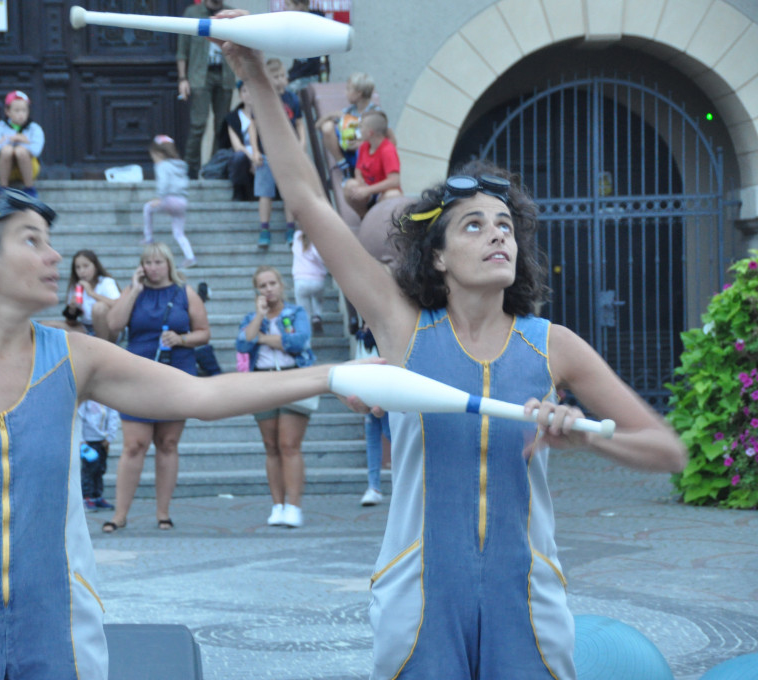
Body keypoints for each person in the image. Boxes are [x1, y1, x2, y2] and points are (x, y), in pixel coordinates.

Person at [225, 29, 686, 679]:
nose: (497, 235)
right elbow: (304, 198)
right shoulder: (403, 329)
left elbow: (665, 450)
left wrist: (587, 441)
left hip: (526, 602)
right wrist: (254, 77)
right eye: (474, 224)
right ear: (437, 255)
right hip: (418, 600)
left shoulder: (554, 346)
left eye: (505, 226)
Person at [0, 189, 337, 680]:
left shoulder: (74, 358)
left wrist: (331, 377)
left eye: (49, 241)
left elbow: (202, 397)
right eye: (32, 240)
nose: (54, 256)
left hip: (60, 634)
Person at [102, 243, 210, 532]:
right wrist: (134, 290)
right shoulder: (133, 291)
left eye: (158, 262)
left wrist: (182, 339)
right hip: (137, 375)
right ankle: (119, 514)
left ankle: (163, 512)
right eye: (147, 262)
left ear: (169, 264)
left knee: (168, 443)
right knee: (134, 445)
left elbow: (204, 333)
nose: (152, 267)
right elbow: (113, 324)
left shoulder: (185, 293)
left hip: (175, 372)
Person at [236, 265, 316, 528]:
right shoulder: (252, 317)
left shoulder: (296, 312)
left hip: (294, 377)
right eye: (263, 285)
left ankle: (294, 505)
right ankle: (277, 505)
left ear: (281, 286)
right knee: (270, 446)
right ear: (256, 290)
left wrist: (264, 338)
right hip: (262, 380)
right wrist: (260, 319)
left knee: (289, 444)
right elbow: (243, 344)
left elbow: (298, 342)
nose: (268, 289)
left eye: (272, 284)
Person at [176, 0, 236, 179]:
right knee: (198, 124)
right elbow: (182, 49)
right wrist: (182, 78)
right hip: (200, 75)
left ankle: (215, 169)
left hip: (225, 75)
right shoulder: (192, 12)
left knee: (221, 125)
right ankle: (190, 169)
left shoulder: (231, 14)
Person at [254, 58, 306, 249]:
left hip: (289, 154)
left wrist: (302, 143)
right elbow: (254, 125)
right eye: (275, 77)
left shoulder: (292, 98)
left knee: (289, 192)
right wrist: (256, 150)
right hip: (268, 154)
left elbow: (299, 123)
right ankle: (264, 229)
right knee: (265, 193)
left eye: (282, 75)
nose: (280, 80)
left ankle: (291, 228)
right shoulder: (263, 97)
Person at [315, 72, 381, 179]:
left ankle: (361, 174)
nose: (345, 92)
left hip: (363, 156)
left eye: (348, 89)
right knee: (327, 126)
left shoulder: (375, 113)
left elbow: (381, 141)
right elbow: (317, 126)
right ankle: (342, 165)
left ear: (358, 93)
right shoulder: (349, 112)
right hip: (347, 152)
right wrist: (332, 115)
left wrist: (360, 144)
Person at [143, 134, 195, 268]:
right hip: (182, 201)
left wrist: (159, 198)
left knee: (148, 208)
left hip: (168, 200)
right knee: (179, 233)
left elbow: (163, 183)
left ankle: (148, 238)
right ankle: (190, 257)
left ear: (159, 154)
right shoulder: (181, 165)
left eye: (153, 156)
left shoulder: (162, 166)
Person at [342, 110, 402, 219]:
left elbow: (394, 180)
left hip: (382, 193)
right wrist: (359, 180)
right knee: (349, 186)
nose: (359, 131)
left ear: (370, 132)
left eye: (361, 127)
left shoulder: (387, 150)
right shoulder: (365, 145)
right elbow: (358, 169)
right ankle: (364, 217)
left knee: (393, 195)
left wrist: (367, 190)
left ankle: (379, 221)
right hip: (368, 191)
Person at [355, 322, 390, 506]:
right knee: (372, 439)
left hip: (387, 394)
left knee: (393, 435)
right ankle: (373, 486)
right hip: (367, 395)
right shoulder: (361, 334)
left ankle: (407, 484)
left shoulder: (385, 329)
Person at [0, 90, 45, 197]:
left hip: (30, 168)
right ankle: (3, 188)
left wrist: (24, 141)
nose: (21, 114)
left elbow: (37, 151)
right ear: (7, 111)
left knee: (21, 151)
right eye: (17, 110)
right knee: (7, 150)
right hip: (8, 170)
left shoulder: (34, 128)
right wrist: (8, 140)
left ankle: (29, 188)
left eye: (24, 110)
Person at [63, 249, 120, 338]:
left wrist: (91, 293)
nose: (81, 271)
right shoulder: (76, 286)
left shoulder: (106, 282)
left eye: (86, 266)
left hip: (109, 328)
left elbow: (118, 305)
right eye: (78, 267)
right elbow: (70, 322)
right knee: (49, 325)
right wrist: (72, 309)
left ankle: (102, 348)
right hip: (86, 327)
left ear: (95, 266)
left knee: (99, 307)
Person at [79, 398, 120, 512]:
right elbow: (79, 417)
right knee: (89, 470)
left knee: (100, 469)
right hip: (88, 441)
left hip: (102, 441)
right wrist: (81, 440)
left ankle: (97, 496)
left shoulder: (107, 399)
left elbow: (113, 416)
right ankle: (87, 497)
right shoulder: (85, 400)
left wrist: (110, 437)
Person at [224, 80, 260, 202]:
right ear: (240, 95)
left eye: (251, 90)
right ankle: (238, 190)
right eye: (244, 91)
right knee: (239, 157)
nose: (248, 94)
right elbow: (237, 146)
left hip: (261, 154)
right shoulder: (233, 117)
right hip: (245, 155)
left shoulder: (263, 116)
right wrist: (252, 159)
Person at [283, 0, 327, 95]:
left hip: (310, 76)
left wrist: (291, 77)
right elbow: (298, 61)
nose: (286, 8)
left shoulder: (314, 22)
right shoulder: (297, 23)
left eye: (288, 5)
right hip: (299, 74)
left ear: (299, 5)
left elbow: (311, 62)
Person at [291, 228, 328, 335]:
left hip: (300, 280)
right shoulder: (319, 238)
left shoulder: (297, 235)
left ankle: (306, 337)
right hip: (317, 280)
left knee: (303, 311)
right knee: (318, 299)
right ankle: (317, 315)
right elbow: (320, 256)